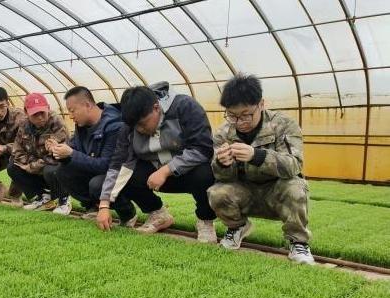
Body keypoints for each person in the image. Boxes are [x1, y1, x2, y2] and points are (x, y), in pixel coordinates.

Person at [207, 73, 315, 265]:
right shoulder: (224, 132)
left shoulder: (284, 125)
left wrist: (257, 156)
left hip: (277, 190)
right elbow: (222, 177)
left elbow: (294, 164)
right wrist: (223, 163)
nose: (240, 122)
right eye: (232, 115)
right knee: (216, 192)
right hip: (245, 191)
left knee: (296, 188)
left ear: (261, 104)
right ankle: (237, 227)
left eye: (246, 114)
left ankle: (298, 242)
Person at [97, 81, 218, 242]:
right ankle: (158, 214)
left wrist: (166, 170)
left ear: (156, 108)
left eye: (142, 124)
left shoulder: (185, 106)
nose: (139, 130)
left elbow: (203, 149)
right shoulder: (129, 126)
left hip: (190, 173)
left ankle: (205, 220)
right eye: (135, 126)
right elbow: (118, 163)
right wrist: (104, 204)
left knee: (204, 173)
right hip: (154, 176)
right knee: (127, 175)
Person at [52, 86, 134, 221]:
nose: (71, 116)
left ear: (87, 105)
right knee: (63, 172)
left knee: (97, 184)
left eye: (72, 111)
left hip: (120, 174)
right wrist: (58, 150)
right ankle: (93, 207)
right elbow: (73, 149)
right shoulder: (82, 126)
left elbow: (107, 166)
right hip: (98, 171)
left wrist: (71, 153)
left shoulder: (114, 125)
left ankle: (127, 213)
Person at [7, 92, 70, 212]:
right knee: (12, 167)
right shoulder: (24, 125)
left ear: (48, 108)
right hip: (35, 165)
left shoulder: (57, 122)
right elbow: (17, 150)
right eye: (35, 114)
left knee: (51, 170)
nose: (40, 117)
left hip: (53, 167)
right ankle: (43, 197)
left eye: (42, 112)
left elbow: (59, 154)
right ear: (26, 112)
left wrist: (34, 165)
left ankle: (63, 199)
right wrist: (30, 164)